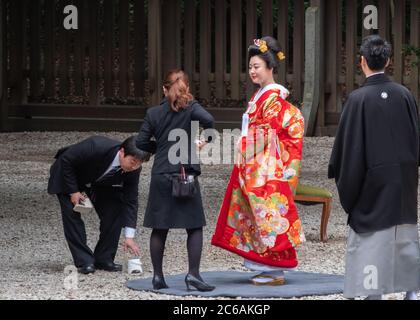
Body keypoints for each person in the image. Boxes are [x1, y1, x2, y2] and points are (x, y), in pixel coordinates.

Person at [328, 35, 420, 300]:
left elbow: (349, 150)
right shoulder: (404, 94)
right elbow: (414, 141)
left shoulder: (358, 99)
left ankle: (374, 293)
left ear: (362, 62)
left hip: (372, 180)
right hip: (402, 178)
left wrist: (348, 183)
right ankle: (411, 291)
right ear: (388, 60)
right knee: (404, 234)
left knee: (373, 237)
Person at [211, 36, 305, 285]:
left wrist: (241, 147)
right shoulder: (262, 96)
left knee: (268, 215)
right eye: (250, 66)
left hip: (266, 169)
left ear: (270, 68)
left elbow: (265, 135)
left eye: (257, 67)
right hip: (257, 164)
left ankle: (275, 269)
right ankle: (268, 266)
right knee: (257, 216)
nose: (252, 71)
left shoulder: (272, 99)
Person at [136, 69, 216, 291]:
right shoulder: (191, 107)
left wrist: (160, 147)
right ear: (187, 88)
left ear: (163, 89)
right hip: (185, 173)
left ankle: (158, 277)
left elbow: (141, 142)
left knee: (159, 228)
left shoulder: (153, 113)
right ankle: (193, 275)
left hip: (161, 173)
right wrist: (203, 141)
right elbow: (209, 120)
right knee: (194, 226)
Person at [48, 135, 153, 274]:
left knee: (115, 211)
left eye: (139, 164)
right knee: (72, 215)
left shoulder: (133, 169)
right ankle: (84, 261)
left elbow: (131, 200)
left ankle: (104, 258)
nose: (135, 167)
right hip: (70, 177)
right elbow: (66, 160)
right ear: (122, 152)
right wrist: (73, 191)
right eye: (133, 161)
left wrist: (129, 237)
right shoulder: (96, 146)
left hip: (101, 182)